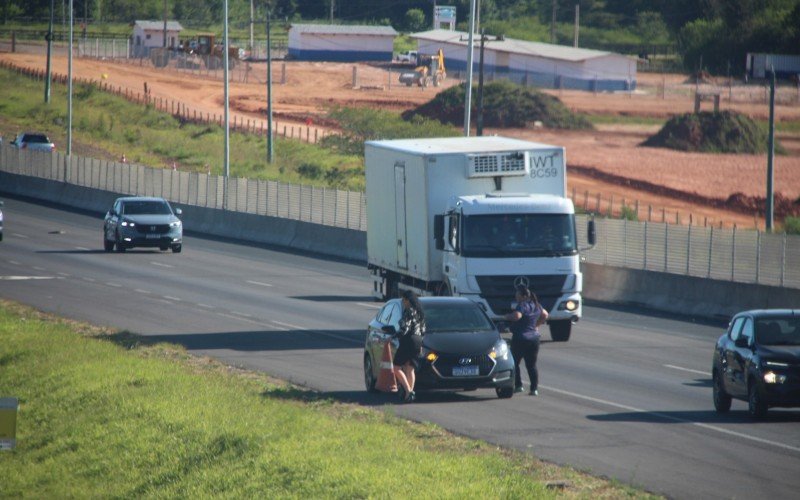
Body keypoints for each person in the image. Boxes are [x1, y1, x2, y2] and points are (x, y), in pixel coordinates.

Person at [504, 285, 548, 396]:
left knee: (514, 363)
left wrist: (507, 316)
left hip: (520, 339)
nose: (516, 296)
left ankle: (518, 385)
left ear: (523, 296)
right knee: (531, 365)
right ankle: (534, 389)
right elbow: (545, 314)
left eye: (517, 294)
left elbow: (517, 316)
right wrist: (536, 325)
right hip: (534, 339)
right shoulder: (536, 305)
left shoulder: (522, 305)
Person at [392, 290, 425, 402]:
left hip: (409, 340)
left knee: (396, 367)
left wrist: (394, 336)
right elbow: (423, 329)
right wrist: (421, 344)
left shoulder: (408, 311)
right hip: (418, 341)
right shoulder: (420, 312)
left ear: (407, 300)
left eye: (403, 300)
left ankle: (409, 391)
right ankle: (409, 396)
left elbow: (405, 328)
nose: (403, 302)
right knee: (410, 368)